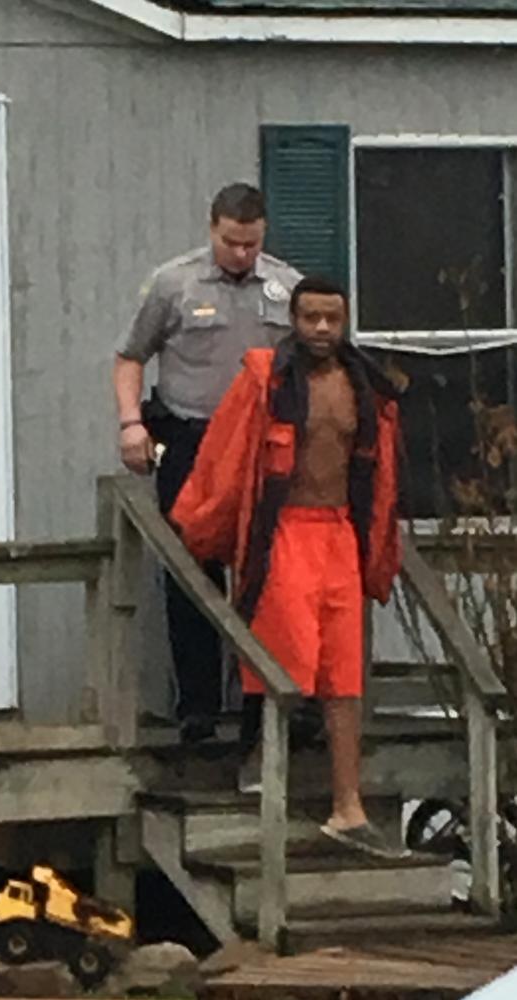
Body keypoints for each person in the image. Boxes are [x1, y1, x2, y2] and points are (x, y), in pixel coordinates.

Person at [170, 276, 405, 857]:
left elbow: (380, 477)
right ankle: (260, 770)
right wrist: (202, 526)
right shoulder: (263, 381)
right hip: (285, 530)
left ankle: (347, 808)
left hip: (340, 534)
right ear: (293, 322)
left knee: (344, 670)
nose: (321, 329)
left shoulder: (365, 388)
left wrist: (376, 546)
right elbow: (223, 459)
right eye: (311, 318)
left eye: (332, 318)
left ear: (345, 322)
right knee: (283, 657)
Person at [113, 183, 301, 743]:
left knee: (263, 570)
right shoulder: (175, 283)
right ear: (211, 229)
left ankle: (258, 703)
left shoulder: (287, 286)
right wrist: (131, 425)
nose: (240, 254)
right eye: (230, 242)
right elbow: (129, 358)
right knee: (191, 567)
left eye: (250, 243)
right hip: (192, 434)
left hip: (261, 442)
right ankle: (195, 704)